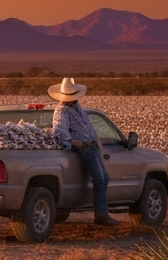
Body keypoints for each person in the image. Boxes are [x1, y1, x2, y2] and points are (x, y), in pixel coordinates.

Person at [48, 77, 117, 226]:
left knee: (104, 178)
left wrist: (96, 141)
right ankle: (101, 214)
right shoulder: (62, 111)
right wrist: (74, 142)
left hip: (92, 147)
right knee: (99, 179)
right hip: (84, 149)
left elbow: (86, 127)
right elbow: (59, 132)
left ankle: (102, 212)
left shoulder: (76, 107)